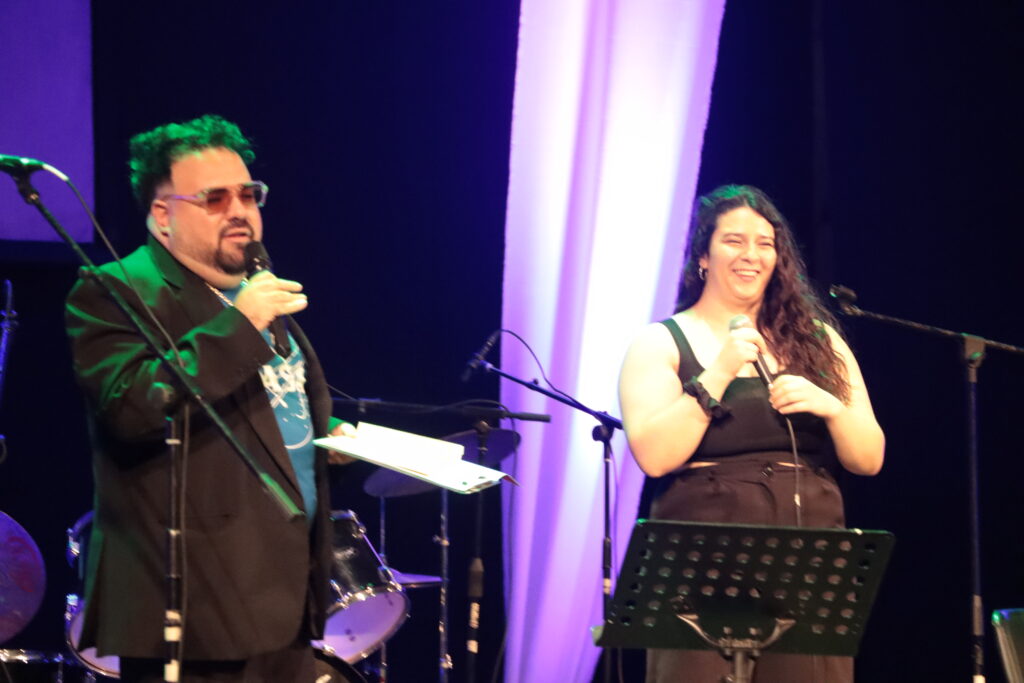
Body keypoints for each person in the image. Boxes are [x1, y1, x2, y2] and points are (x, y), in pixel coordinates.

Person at [65, 114, 354, 682]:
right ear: (163, 216)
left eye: (248, 194)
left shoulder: (251, 293)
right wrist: (240, 326)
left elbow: (262, 418)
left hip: (282, 600)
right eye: (215, 199)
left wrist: (327, 440)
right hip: (197, 611)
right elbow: (132, 409)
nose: (239, 210)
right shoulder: (116, 289)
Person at [618, 185, 884, 683]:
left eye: (765, 244)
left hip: (806, 555)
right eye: (734, 241)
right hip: (703, 561)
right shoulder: (659, 342)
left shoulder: (819, 340)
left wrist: (831, 407)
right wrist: (719, 371)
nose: (751, 255)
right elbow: (655, 457)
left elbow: (868, 458)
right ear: (703, 256)